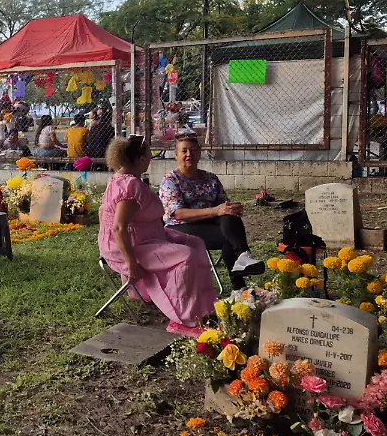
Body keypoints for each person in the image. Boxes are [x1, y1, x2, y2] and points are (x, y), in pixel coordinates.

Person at [98, 135, 215, 337]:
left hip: (147, 237)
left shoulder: (125, 179)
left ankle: (202, 306)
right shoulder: (129, 186)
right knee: (185, 256)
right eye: (149, 155)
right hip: (129, 246)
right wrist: (131, 263)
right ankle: (182, 319)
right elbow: (118, 228)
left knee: (195, 243)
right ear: (141, 159)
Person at [158, 134, 264, 290]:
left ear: (200, 152)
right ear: (176, 155)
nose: (189, 154)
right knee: (229, 238)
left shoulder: (210, 178)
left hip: (209, 223)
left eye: (194, 150)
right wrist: (215, 211)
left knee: (228, 216)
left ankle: (243, 258)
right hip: (179, 227)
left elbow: (223, 205)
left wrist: (233, 208)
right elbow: (177, 214)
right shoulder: (170, 180)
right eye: (184, 151)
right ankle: (239, 285)